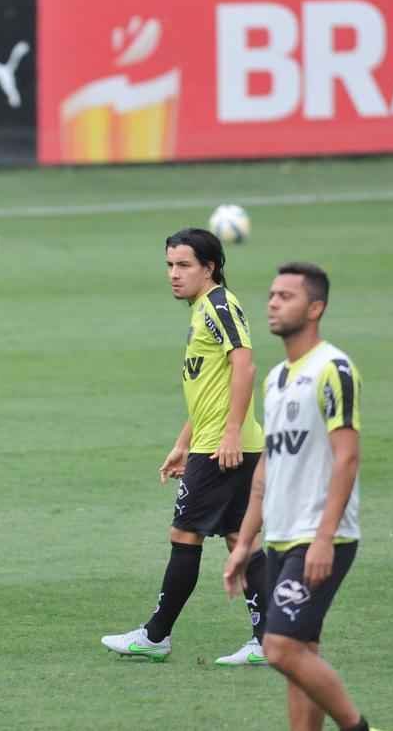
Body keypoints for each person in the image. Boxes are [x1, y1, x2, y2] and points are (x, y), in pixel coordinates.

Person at [102, 228, 269, 665]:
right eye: (170, 266)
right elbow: (207, 389)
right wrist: (182, 443)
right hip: (216, 441)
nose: (174, 275)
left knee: (186, 534)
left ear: (209, 268)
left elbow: (245, 367)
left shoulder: (219, 306)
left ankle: (156, 635)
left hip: (222, 447)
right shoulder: (202, 310)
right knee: (240, 538)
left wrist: (230, 431)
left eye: (184, 266)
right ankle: (271, 639)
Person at [224, 263, 379, 731]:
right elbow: (266, 471)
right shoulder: (274, 381)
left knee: (279, 648)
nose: (272, 303)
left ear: (316, 308)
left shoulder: (333, 368)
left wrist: (325, 538)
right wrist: (246, 542)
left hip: (319, 536)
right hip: (282, 536)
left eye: (286, 296)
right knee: (300, 653)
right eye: (271, 294)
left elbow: (347, 457)